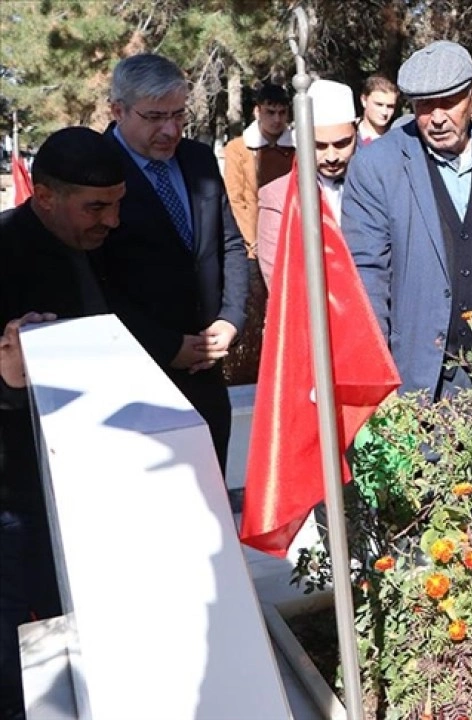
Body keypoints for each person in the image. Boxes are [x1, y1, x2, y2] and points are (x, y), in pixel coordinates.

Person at [342, 40, 472, 399]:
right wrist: (378, 379)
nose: (437, 117)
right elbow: (368, 280)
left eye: (449, 102)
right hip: (419, 382)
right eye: (425, 105)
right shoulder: (377, 167)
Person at [0, 127, 126, 719]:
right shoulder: (5, 253)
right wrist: (8, 378)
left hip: (95, 485)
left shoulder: (104, 247)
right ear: (45, 197)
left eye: (118, 203)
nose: (112, 221)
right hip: (19, 500)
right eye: (96, 207)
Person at [98, 53, 249, 472]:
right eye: (154, 117)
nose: (170, 130)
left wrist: (230, 319)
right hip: (133, 381)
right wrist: (166, 347)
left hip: (206, 372)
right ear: (118, 110)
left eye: (179, 115)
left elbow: (230, 244)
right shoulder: (94, 168)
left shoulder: (198, 160)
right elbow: (93, 281)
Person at [257, 79, 359, 289]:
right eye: (319, 146)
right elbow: (281, 284)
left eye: (342, 144)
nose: (332, 156)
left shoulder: (376, 185)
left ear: (355, 132)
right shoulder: (277, 198)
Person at [223, 83, 294, 257]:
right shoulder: (238, 149)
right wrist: (253, 239)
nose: (277, 119)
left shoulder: (298, 149)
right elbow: (235, 199)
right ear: (257, 112)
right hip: (252, 245)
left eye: (282, 112)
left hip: (290, 238)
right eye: (270, 112)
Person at [358, 75, 399, 146]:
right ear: (364, 100)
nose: (384, 112)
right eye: (379, 104)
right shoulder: (348, 138)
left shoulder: (400, 139)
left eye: (390, 106)